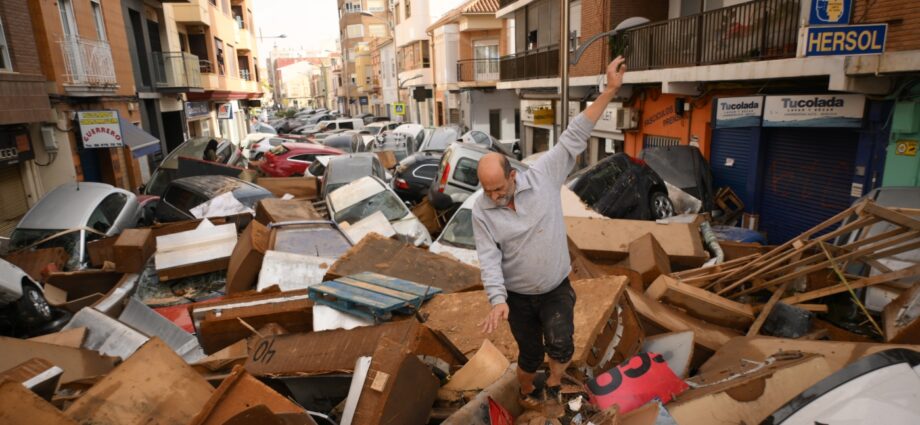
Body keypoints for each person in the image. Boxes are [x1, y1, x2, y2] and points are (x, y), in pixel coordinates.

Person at [472, 56, 627, 411]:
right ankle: (527, 394)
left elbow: (575, 134)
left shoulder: (542, 176)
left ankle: (554, 385)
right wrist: (497, 300)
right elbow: (489, 256)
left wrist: (610, 91)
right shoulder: (482, 210)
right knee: (529, 352)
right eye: (487, 191)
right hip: (518, 297)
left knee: (561, 345)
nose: (494, 197)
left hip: (556, 288)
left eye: (498, 189)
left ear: (512, 175)